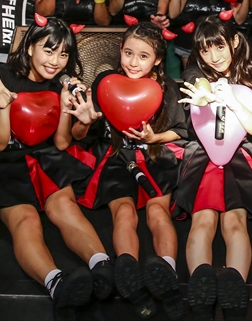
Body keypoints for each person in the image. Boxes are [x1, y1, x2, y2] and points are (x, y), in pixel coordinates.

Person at [0, 18, 115, 320]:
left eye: (63, 54)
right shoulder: (1, 77)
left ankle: (103, 267)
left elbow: (62, 143)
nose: (55, 61)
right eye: (49, 50)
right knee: (25, 219)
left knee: (65, 207)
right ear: (31, 47)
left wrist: (78, 119)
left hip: (46, 157)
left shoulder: (61, 84)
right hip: (5, 161)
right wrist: (4, 107)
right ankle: (56, 283)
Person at [71, 23, 188, 319]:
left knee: (157, 212)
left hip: (155, 156)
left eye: (143, 56)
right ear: (120, 51)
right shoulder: (106, 83)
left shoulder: (166, 87)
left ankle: (167, 275)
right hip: (116, 158)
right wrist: (84, 121)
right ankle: (129, 274)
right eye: (128, 53)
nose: (134, 62)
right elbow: (78, 135)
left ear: (157, 60)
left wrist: (154, 137)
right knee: (123, 211)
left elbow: (180, 131)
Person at [175, 18, 252, 321]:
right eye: (205, 50)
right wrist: (206, 93)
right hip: (204, 154)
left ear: (234, 42)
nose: (213, 56)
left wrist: (232, 101)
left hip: (242, 154)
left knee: (235, 222)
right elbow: (199, 82)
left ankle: (235, 298)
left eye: (219, 46)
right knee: (202, 220)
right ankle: (201, 298)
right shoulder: (195, 71)